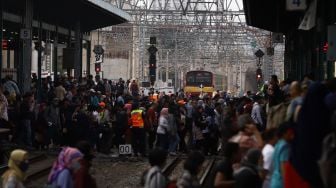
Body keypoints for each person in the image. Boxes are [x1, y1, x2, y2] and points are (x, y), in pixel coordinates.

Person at [270, 122, 294, 188]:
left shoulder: (278, 144)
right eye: (290, 132)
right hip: (281, 183)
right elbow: (284, 166)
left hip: (274, 180)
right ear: (284, 133)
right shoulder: (285, 146)